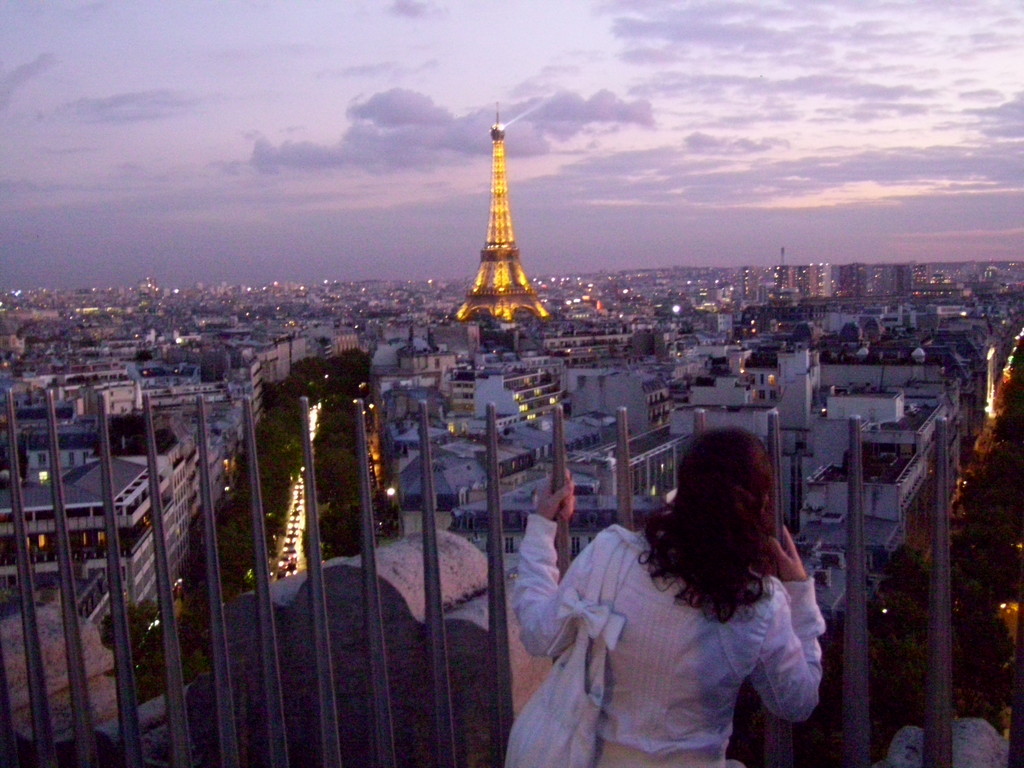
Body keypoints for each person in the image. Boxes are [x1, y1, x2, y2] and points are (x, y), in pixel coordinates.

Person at [512, 427, 826, 768]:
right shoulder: (760, 605)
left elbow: (538, 634)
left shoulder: (611, 555)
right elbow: (797, 701)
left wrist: (543, 527)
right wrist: (799, 592)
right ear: (761, 502)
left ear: (683, 490)